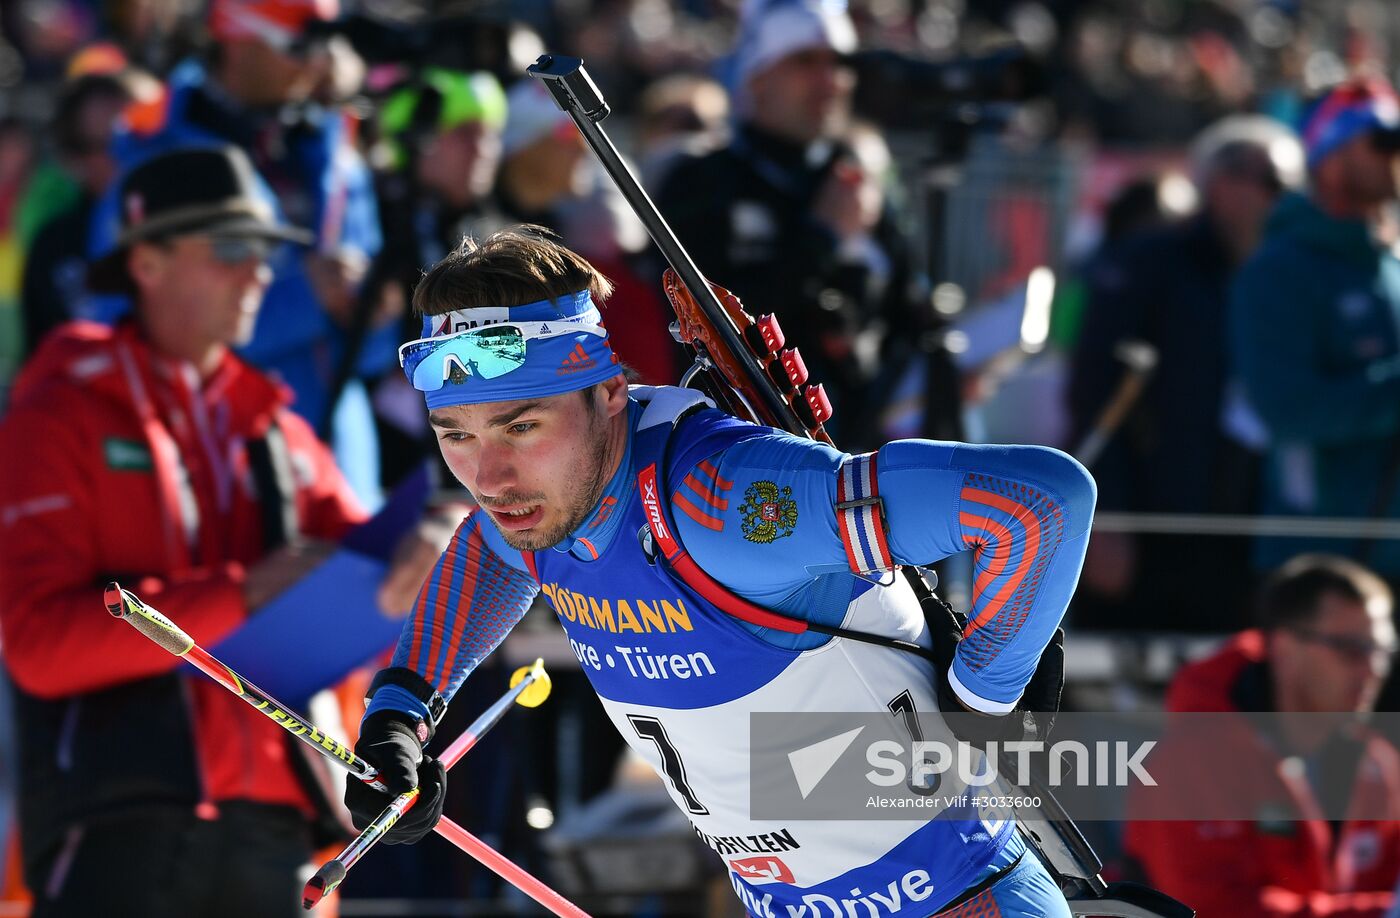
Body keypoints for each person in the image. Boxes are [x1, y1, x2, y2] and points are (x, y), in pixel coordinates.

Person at [341, 227, 1097, 916]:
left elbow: (1041, 501)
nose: (490, 475)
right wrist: (400, 716)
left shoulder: (722, 500)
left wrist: (984, 698)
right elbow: (489, 557)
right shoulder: (544, 503)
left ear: (610, 395)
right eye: (456, 436)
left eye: (522, 425)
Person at [0, 146, 439, 917]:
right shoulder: (57, 415)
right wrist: (244, 592)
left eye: (266, 254)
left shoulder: (275, 424)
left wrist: (431, 549)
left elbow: (372, 585)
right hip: (116, 822)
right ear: (146, 261)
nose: (259, 275)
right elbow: (38, 647)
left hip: (277, 825)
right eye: (231, 249)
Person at [89, 0, 391, 505]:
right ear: (237, 38)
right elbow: (122, 328)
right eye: (300, 45)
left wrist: (374, 313)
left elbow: (377, 353)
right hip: (213, 474)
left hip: (341, 466)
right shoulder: (157, 155)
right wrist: (307, 300)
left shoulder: (331, 149)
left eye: (326, 46)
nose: (317, 63)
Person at [1068, 115, 1303, 631]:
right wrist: (1102, 516)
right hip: (1155, 521)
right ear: (1221, 184)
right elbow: (1094, 391)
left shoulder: (1292, 277)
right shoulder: (1149, 262)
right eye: (1274, 184)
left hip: (1251, 525)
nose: (1285, 199)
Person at [655, 0, 926, 446]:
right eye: (804, 61)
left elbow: (908, 309)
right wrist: (821, 238)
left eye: (839, 64)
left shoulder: (856, 175)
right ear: (759, 76)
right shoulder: (702, 180)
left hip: (865, 447)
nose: (829, 81)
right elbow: (704, 325)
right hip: (742, 448)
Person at [1124, 554, 1400, 917]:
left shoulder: (1377, 764)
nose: (1373, 669)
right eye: (1351, 650)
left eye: (1382, 651)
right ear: (1285, 647)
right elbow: (1207, 909)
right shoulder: (1192, 763)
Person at [1230, 77, 1400, 580]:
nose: (1395, 157)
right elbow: (1287, 410)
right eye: (1383, 142)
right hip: (1318, 563)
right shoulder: (1278, 269)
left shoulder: (1389, 262)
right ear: (1329, 154)